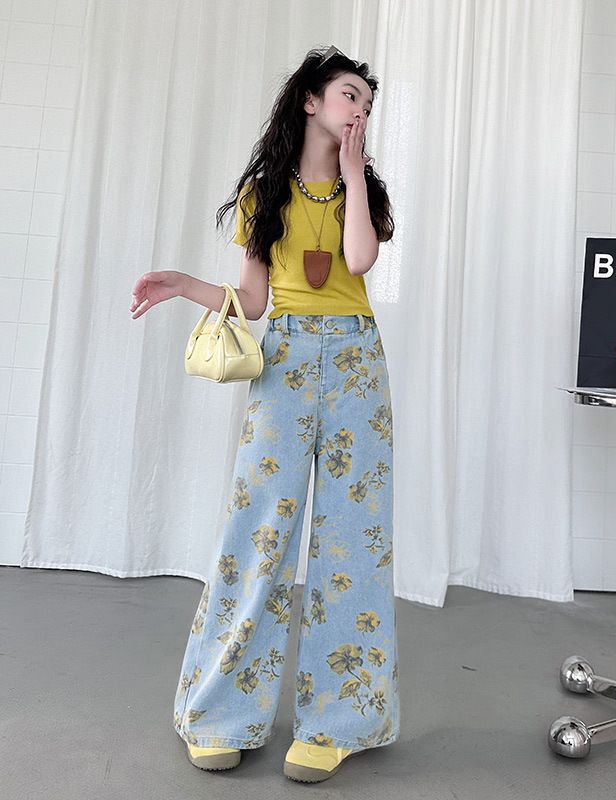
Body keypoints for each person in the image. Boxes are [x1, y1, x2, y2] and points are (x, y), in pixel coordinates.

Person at [130, 45, 399, 783]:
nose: (360, 109)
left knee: (354, 542)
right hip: (284, 361)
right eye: (349, 95)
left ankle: (339, 722)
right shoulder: (264, 193)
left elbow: (359, 261)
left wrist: (353, 176)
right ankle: (220, 712)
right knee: (258, 534)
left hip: (356, 364)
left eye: (367, 102)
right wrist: (185, 284)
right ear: (311, 100)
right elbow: (252, 302)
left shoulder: (365, 191)